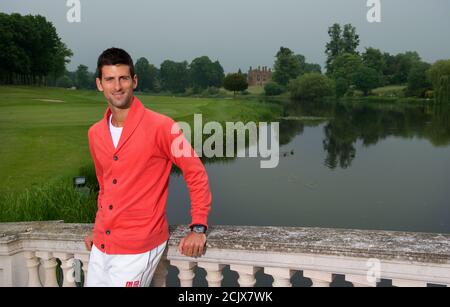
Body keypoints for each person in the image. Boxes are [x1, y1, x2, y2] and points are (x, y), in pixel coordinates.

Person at [83, 48, 212, 287]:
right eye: (110, 79)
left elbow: (196, 173)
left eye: (123, 78)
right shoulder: (95, 133)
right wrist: (99, 228)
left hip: (138, 247)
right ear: (100, 84)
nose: (117, 86)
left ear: (134, 81)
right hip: (102, 244)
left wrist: (198, 226)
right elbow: (105, 186)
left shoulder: (162, 126)